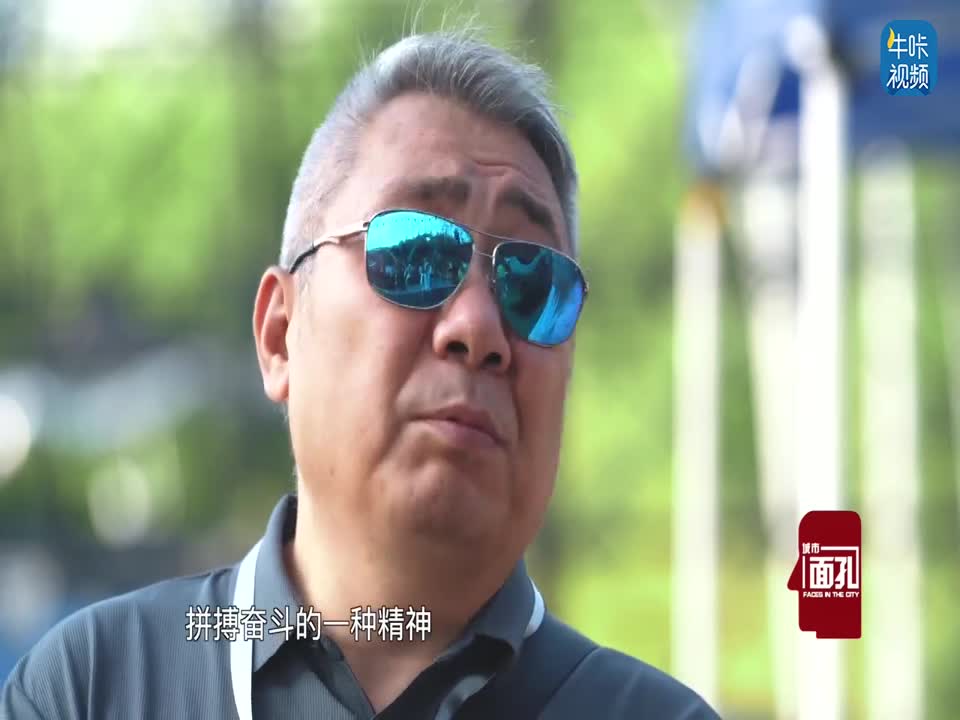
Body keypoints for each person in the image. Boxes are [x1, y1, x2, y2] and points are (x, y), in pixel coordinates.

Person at [1, 29, 721, 720]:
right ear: (280, 335)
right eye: (415, 253)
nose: (477, 326)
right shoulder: (93, 690)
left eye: (534, 284)